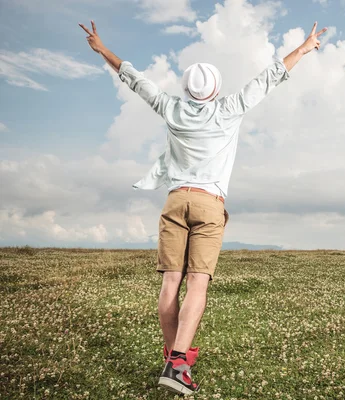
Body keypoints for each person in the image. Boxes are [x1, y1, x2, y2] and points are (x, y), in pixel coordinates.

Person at [79, 19, 327, 395]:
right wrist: (305, 48)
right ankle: (178, 364)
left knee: (169, 283)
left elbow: (134, 79)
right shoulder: (230, 108)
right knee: (197, 283)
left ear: (186, 89)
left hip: (175, 200)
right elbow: (271, 75)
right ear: (216, 89)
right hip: (209, 204)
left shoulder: (171, 108)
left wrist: (102, 49)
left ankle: (173, 359)